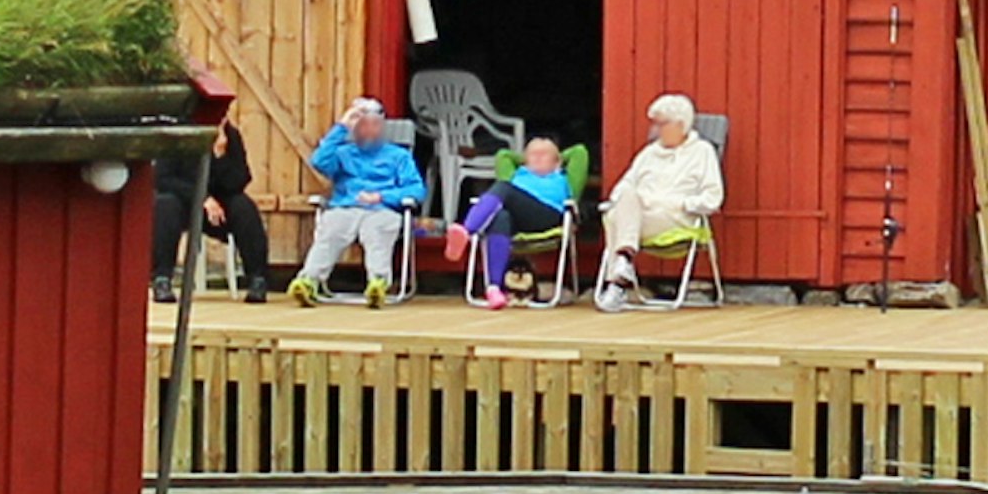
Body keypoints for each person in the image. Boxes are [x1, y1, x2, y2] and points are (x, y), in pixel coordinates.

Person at [290, 96, 428, 300]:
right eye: (363, 125)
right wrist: (342, 127)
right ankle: (309, 281)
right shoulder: (343, 153)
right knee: (331, 231)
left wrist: (382, 196)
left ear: (382, 127)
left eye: (375, 125)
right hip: (346, 207)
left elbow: (417, 190)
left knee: (377, 233)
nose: (370, 130)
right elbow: (318, 161)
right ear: (354, 129)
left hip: (383, 208)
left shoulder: (398, 156)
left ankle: (378, 283)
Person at [592, 94, 723, 304]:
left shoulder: (702, 152)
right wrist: (623, 200)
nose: (657, 129)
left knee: (615, 219)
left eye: (662, 123)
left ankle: (617, 283)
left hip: (675, 217)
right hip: (641, 217)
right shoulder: (649, 153)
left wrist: (683, 203)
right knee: (623, 201)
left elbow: (713, 197)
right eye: (656, 123)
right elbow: (624, 186)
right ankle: (622, 268)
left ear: (681, 124)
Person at [153, 71, 273, 300]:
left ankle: (257, 279)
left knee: (244, 207)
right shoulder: (179, 134)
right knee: (165, 205)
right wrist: (202, 198)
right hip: (185, 202)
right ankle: (162, 279)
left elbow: (240, 180)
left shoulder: (230, 137)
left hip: (219, 205)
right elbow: (163, 178)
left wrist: (220, 155)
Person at [455, 130, 578, 302]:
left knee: (503, 188)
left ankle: (467, 230)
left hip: (548, 215)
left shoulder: (559, 177)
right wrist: (525, 160)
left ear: (557, 162)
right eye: (532, 155)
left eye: (544, 154)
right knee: (500, 218)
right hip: (520, 219)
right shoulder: (519, 175)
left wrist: (558, 156)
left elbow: (579, 152)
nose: (537, 158)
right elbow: (503, 155)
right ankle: (495, 289)